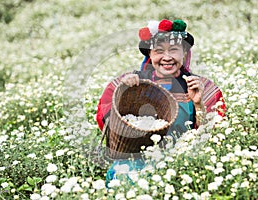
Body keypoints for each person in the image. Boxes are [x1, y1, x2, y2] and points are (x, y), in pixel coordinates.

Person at [95, 19, 226, 186]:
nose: (167, 57)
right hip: (137, 161)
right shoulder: (131, 82)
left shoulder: (202, 87)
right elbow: (108, 125)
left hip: (184, 161)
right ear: (149, 54)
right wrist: (122, 93)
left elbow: (214, 135)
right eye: (158, 51)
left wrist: (199, 105)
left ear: (184, 53)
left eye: (174, 50)